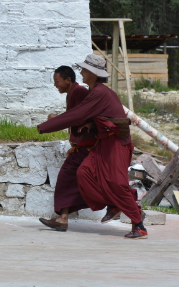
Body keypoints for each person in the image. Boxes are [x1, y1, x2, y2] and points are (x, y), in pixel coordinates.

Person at [38, 54, 148, 239]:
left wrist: (45, 126)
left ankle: (139, 224)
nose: (81, 72)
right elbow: (100, 116)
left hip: (116, 145)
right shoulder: (95, 90)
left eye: (84, 70)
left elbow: (78, 114)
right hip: (104, 144)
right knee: (84, 173)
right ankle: (112, 204)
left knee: (116, 184)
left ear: (93, 73)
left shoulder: (98, 92)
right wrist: (92, 124)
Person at [38, 65, 93, 232]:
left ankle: (63, 218)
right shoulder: (72, 94)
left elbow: (82, 117)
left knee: (67, 179)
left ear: (68, 80)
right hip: (79, 147)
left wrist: (56, 119)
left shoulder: (80, 92)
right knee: (70, 180)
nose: (56, 85)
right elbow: (75, 118)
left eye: (57, 81)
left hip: (87, 147)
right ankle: (63, 218)